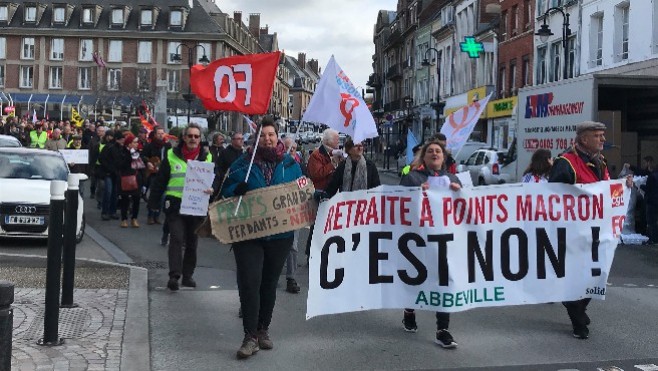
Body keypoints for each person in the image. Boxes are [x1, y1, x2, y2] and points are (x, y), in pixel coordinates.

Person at [221, 116, 302, 359]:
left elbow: (301, 190)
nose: (267, 139)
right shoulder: (242, 164)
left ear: (277, 137)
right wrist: (236, 190)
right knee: (249, 282)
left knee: (269, 283)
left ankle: (263, 328)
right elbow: (223, 190)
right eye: (263, 135)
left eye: (271, 135)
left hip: (280, 235)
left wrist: (310, 192)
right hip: (249, 235)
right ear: (256, 139)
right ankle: (250, 336)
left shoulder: (290, 164)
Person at [549, 120, 632, 339]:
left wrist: (623, 185)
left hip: (596, 231)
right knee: (577, 275)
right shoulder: (565, 163)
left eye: (602, 135)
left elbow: (605, 190)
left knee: (597, 273)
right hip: (572, 233)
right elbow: (551, 197)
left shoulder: (601, 162)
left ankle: (575, 304)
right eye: (598, 135)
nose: (603, 139)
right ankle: (578, 321)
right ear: (584, 139)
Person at [400, 140, 461, 349]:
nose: (435, 153)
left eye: (438, 151)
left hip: (444, 240)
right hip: (418, 240)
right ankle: (409, 311)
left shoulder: (452, 179)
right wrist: (417, 192)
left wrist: (460, 193)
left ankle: (442, 329)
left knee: (445, 281)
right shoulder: (412, 177)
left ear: (443, 157)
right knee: (416, 279)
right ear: (424, 157)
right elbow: (399, 203)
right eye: (431, 151)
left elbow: (466, 209)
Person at [148, 123, 216, 291]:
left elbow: (216, 178)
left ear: (200, 139)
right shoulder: (171, 155)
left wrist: (213, 189)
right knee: (177, 239)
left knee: (192, 243)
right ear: (184, 138)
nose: (193, 139)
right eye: (190, 136)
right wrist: (154, 202)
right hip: (176, 205)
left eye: (196, 136)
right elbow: (160, 180)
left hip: (197, 206)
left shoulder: (207, 157)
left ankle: (187, 275)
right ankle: (174, 275)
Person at [305, 129, 344, 260]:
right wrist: (332, 164)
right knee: (317, 225)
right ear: (329, 141)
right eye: (336, 139)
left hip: (332, 194)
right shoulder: (317, 155)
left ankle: (325, 252)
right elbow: (316, 174)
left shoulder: (334, 154)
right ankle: (311, 253)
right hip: (320, 194)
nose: (339, 142)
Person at [142, 127, 171, 227]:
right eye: (159, 133)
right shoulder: (150, 146)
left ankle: (157, 215)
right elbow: (143, 156)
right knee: (154, 194)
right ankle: (150, 215)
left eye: (162, 133)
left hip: (164, 173)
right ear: (154, 134)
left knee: (163, 196)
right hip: (154, 173)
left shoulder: (167, 146)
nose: (160, 135)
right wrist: (148, 163)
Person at [117, 133, 145, 228]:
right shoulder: (123, 152)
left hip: (136, 178)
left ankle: (134, 218)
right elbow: (121, 165)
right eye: (134, 142)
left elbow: (141, 166)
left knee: (136, 199)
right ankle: (124, 219)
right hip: (125, 177)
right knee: (125, 199)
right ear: (129, 144)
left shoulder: (137, 153)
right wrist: (129, 155)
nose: (136, 144)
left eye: (137, 142)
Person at [98, 130, 123, 220]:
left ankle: (112, 211)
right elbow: (101, 159)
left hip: (115, 174)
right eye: (121, 139)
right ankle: (105, 212)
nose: (122, 141)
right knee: (108, 192)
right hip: (108, 173)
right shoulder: (108, 147)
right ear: (117, 139)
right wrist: (109, 168)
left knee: (114, 193)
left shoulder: (120, 148)